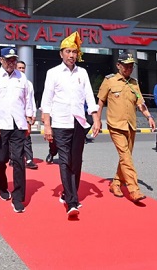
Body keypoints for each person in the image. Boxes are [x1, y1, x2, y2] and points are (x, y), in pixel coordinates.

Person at [41, 32, 100, 217]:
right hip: (60, 123)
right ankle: (72, 202)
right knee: (65, 161)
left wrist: (96, 118)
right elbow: (46, 101)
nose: (71, 55)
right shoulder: (53, 73)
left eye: (74, 52)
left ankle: (68, 192)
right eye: (68, 51)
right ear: (61, 54)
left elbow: (90, 97)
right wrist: (47, 125)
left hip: (79, 123)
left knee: (76, 161)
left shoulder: (82, 73)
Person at [96, 52, 155, 202]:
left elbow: (140, 102)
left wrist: (149, 116)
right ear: (118, 65)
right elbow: (100, 102)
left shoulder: (134, 83)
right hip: (115, 125)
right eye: (126, 65)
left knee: (125, 158)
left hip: (130, 125)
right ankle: (134, 190)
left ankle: (116, 183)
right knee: (125, 156)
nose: (129, 68)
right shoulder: (109, 81)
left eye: (131, 66)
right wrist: (97, 120)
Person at [0, 47, 35, 213]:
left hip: (18, 125)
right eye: (8, 60)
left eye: (14, 60)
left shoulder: (22, 78)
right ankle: (1, 186)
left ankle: (18, 197)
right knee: (1, 159)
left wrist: (28, 120)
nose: (11, 63)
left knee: (19, 160)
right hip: (0, 124)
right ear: (1, 60)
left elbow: (28, 101)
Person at [16, 61, 38, 169]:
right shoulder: (12, 82)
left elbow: (31, 100)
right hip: (15, 115)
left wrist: (33, 113)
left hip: (26, 115)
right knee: (15, 139)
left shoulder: (29, 84)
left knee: (27, 137)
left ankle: (29, 160)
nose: (21, 70)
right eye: (19, 68)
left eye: (23, 68)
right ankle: (14, 158)